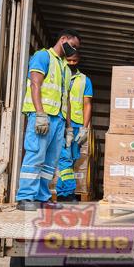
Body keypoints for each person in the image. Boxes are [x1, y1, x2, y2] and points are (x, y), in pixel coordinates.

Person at [15, 29, 81, 211]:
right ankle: (25, 198)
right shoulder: (43, 57)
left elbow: (65, 98)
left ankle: (42, 198)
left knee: (50, 162)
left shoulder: (65, 68)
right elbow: (36, 84)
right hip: (42, 117)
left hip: (59, 121)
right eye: (72, 45)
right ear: (63, 39)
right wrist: (40, 114)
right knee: (35, 156)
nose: (73, 50)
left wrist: (69, 128)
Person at [55, 52, 93, 202]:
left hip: (77, 125)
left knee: (72, 159)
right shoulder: (58, 75)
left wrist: (85, 128)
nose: (71, 63)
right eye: (68, 60)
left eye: (74, 60)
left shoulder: (85, 80)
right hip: (61, 122)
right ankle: (67, 194)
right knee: (65, 158)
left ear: (79, 61)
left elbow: (87, 104)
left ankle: (61, 191)